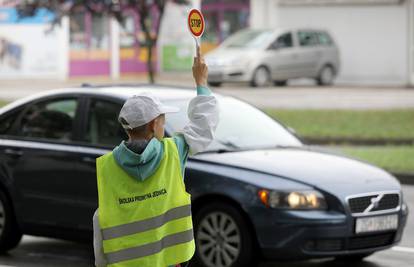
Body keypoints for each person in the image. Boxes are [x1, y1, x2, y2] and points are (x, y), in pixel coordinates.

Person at [93, 48, 219, 267]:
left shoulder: (108, 166)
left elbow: (100, 223)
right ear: (153, 124)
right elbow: (203, 126)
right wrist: (201, 82)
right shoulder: (173, 152)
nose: (164, 123)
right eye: (162, 119)